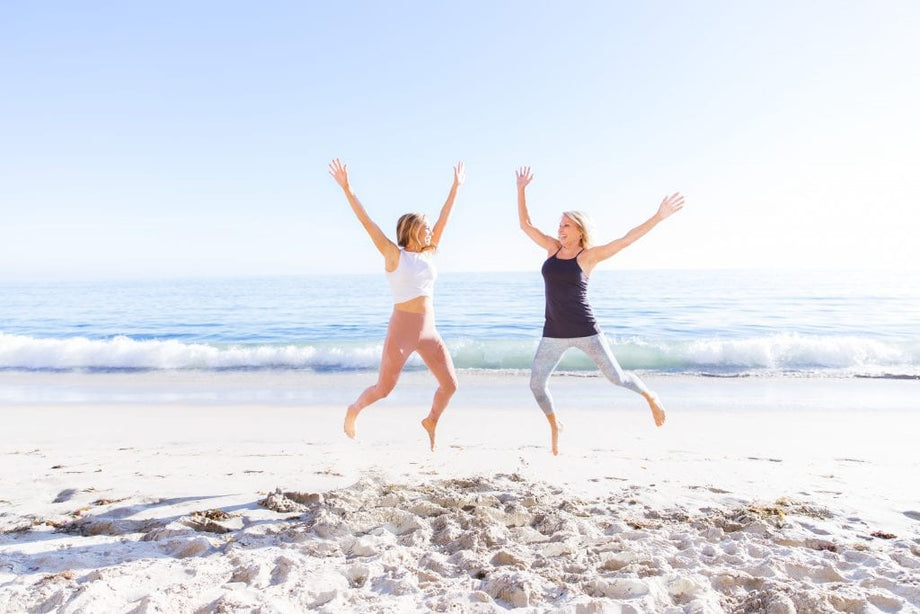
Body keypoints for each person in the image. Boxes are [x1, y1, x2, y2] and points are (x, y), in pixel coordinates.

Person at [515, 166, 684, 455]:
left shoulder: (588, 256)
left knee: (616, 378)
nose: (560, 229)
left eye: (566, 225)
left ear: (580, 230)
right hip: (554, 332)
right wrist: (521, 189)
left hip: (585, 330)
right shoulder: (552, 249)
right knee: (536, 385)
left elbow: (626, 239)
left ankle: (649, 395)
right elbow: (526, 225)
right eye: (560, 225)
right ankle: (556, 424)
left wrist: (658, 217)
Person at [328, 158, 464, 451]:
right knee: (384, 389)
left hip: (429, 332)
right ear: (412, 230)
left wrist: (455, 187)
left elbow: (444, 218)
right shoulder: (394, 255)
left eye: (429, 229)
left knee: (451, 385)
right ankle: (354, 409)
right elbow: (368, 224)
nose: (430, 232)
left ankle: (430, 421)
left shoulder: (428, 254)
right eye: (425, 228)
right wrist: (348, 189)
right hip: (401, 331)